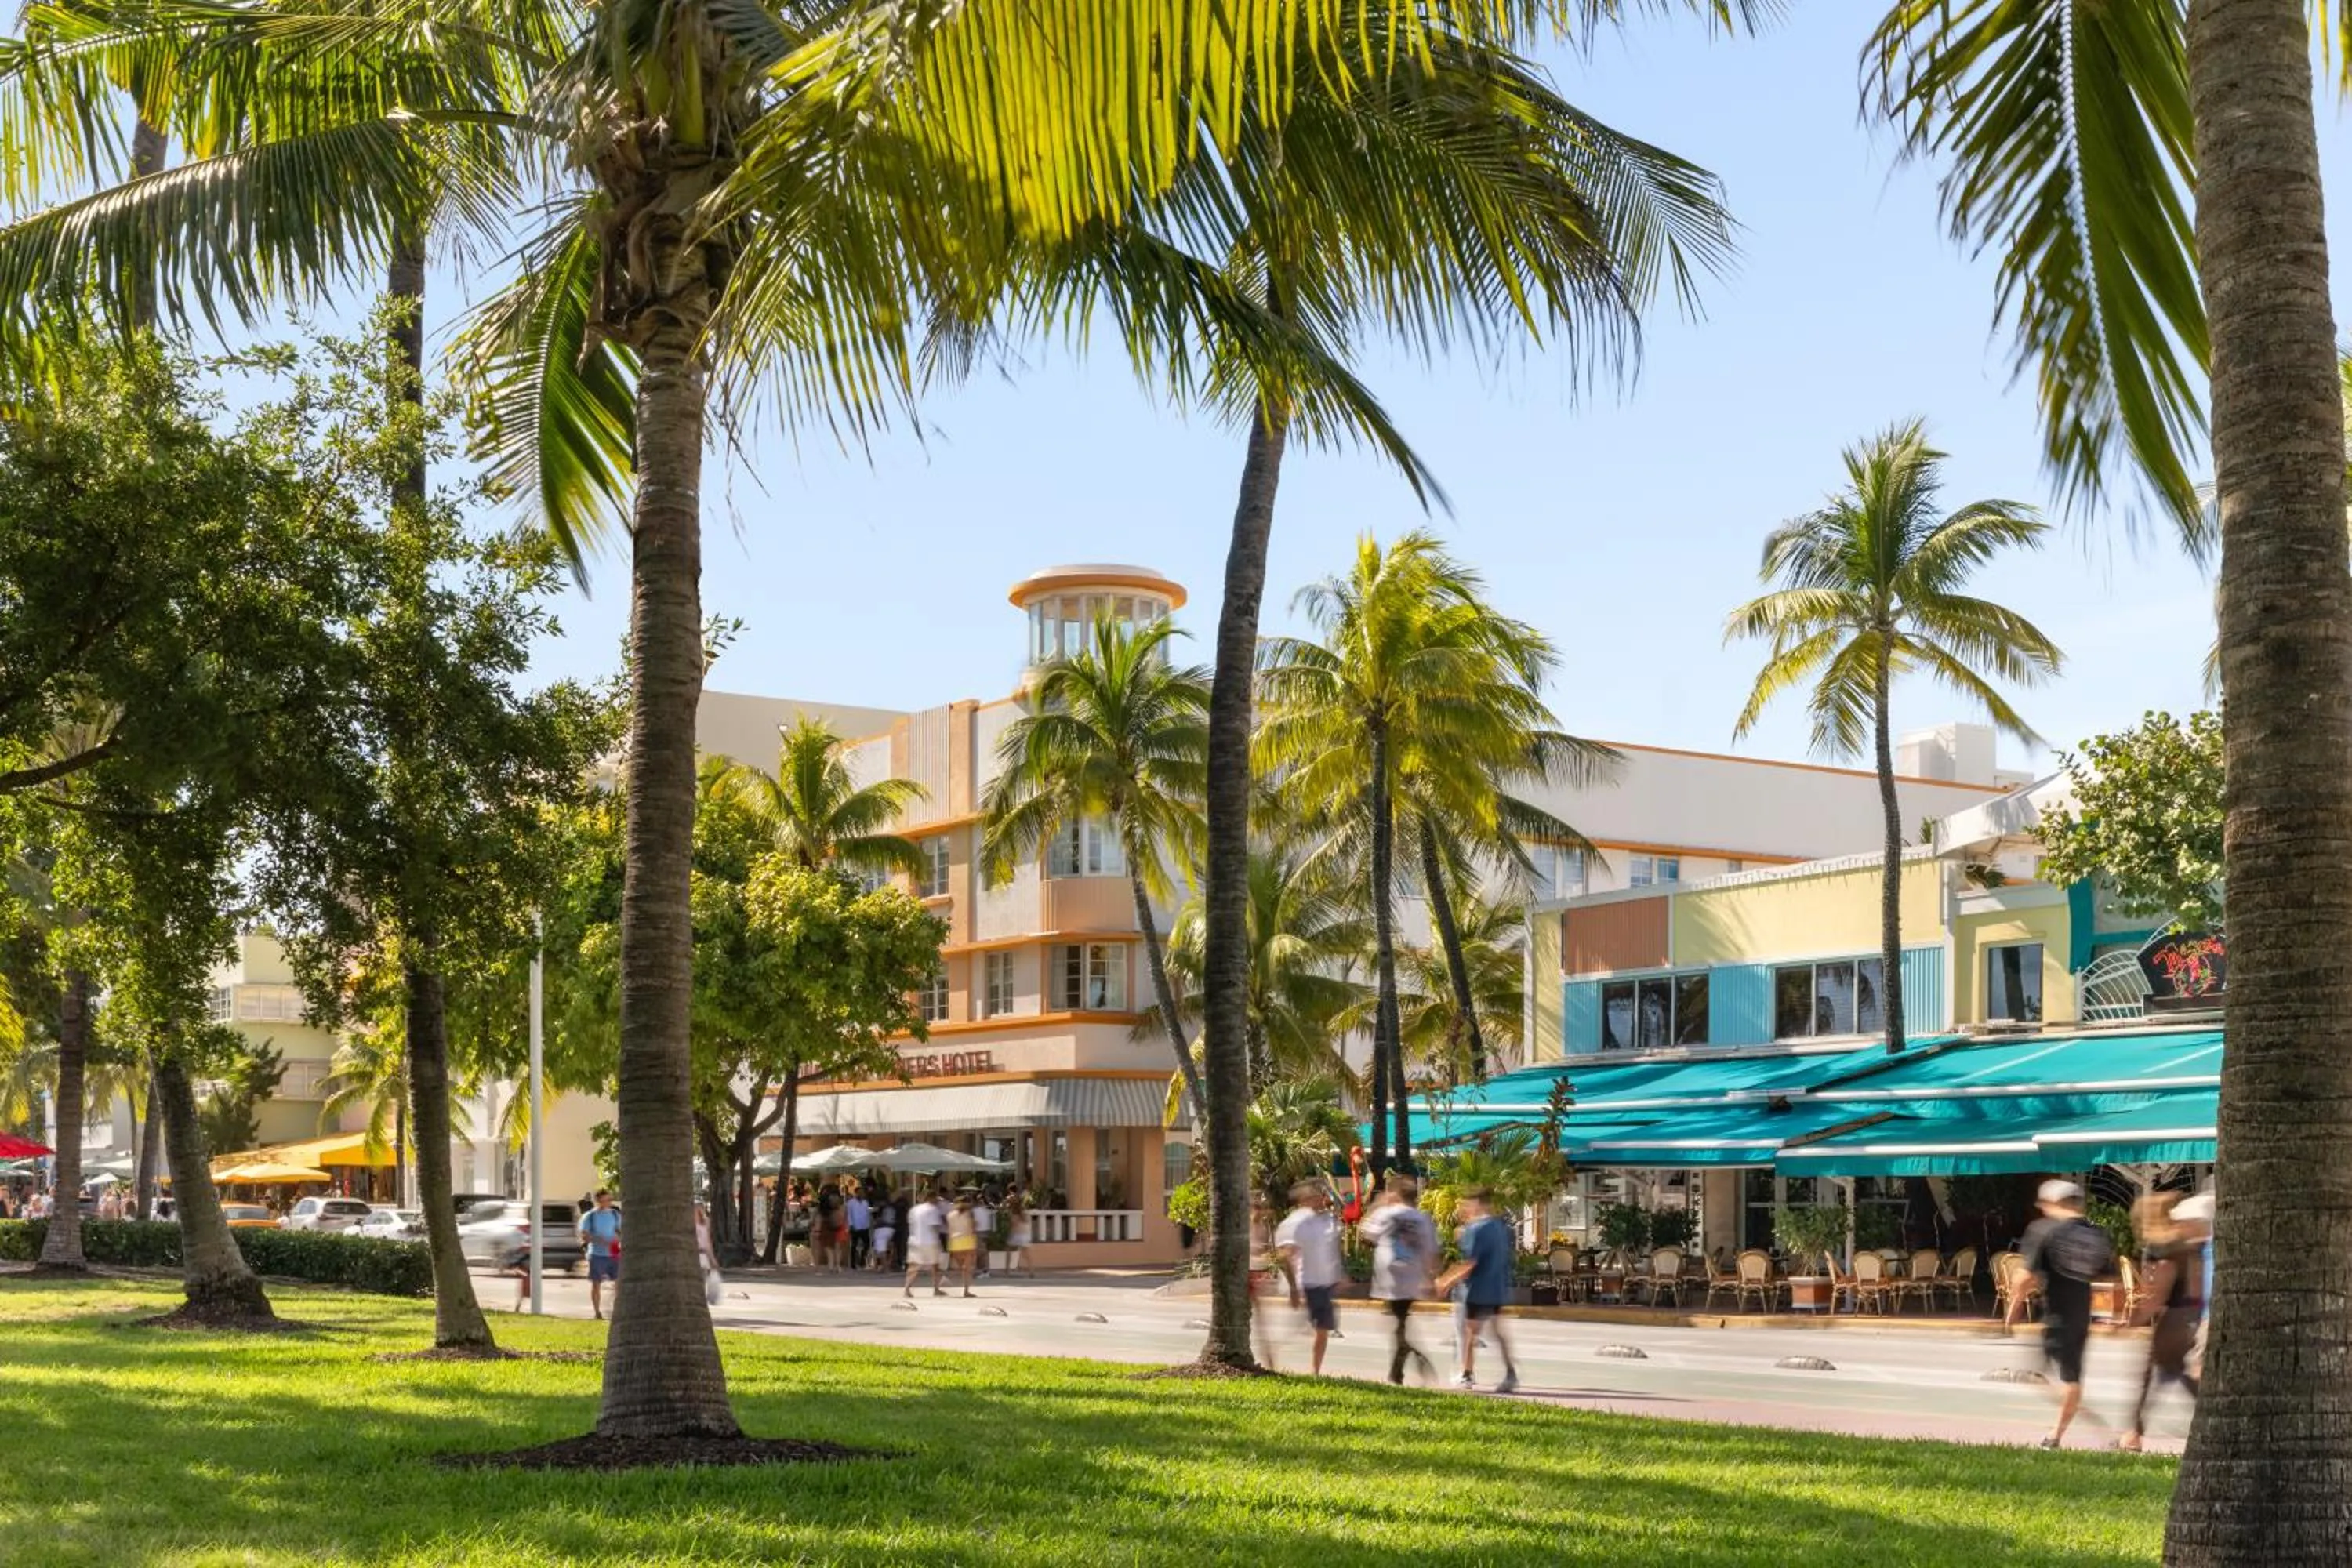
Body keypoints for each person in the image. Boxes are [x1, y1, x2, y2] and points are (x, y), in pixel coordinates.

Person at [2006, 1178, 2114, 1448]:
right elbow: (2112, 1279)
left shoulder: (2043, 1230)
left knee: (2048, 1378)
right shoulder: (2096, 1232)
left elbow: (2023, 1278)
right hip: (2081, 1314)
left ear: (2053, 1203)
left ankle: (2065, 1433)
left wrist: (2012, 1312)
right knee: (2065, 1376)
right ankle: (2063, 1430)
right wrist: (2116, 1316)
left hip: (2056, 1315)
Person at [2122, 1190, 2209, 1452]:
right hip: (2194, 1314)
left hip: (2174, 1317)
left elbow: (2158, 1291)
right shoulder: (2190, 1244)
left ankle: (2133, 1434)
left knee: (2151, 1375)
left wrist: (2136, 1318)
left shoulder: (2163, 1247)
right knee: (2177, 1373)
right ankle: (2206, 1422)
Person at [1436, 1187, 1520, 1393]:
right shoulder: (1499, 1227)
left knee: (1470, 1332)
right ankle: (1510, 1373)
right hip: (1497, 1287)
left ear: (1478, 1204)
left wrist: (1446, 1281)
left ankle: (1467, 1375)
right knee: (1498, 1332)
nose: (1465, 1208)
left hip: (1478, 1288)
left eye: (1468, 1204)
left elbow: (1470, 1263)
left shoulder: (1476, 1229)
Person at [1360, 1178, 1439, 1385]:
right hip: (1411, 1275)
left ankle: (1404, 1363)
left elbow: (1366, 1233)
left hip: (1389, 1276)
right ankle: (1399, 1368)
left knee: (1399, 1323)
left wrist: (1378, 1204)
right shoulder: (1422, 1219)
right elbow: (1430, 1251)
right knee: (1400, 1320)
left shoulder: (1385, 1213)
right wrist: (1430, 1278)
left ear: (1395, 1195)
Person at [1273, 1181, 1344, 1375]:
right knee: (1300, 1330)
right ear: (1304, 1200)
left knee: (1322, 1328)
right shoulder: (1295, 1223)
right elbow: (1286, 1255)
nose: (1320, 1199)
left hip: (1324, 1283)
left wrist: (1338, 1276)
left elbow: (1330, 1250)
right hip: (1308, 1283)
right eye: (1315, 1196)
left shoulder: (1322, 1220)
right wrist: (1294, 1289)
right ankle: (1273, 1358)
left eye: (1319, 1195)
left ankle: (1315, 1371)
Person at [577, 1189, 622, 1321]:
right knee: (596, 1284)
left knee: (618, 1282)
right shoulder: (590, 1216)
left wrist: (618, 1240)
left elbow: (620, 1231)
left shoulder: (615, 1215)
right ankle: (597, 1312)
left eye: (609, 1200)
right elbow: (585, 1236)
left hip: (614, 1252)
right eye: (605, 1200)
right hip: (597, 1254)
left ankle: (616, 1311)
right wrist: (600, 1241)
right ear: (598, 1201)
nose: (608, 1203)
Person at [903, 1188, 949, 1298]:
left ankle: (907, 1288)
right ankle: (936, 1289)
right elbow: (935, 1226)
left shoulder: (914, 1210)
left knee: (913, 1266)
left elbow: (910, 1224)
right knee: (935, 1266)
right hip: (929, 1241)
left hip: (914, 1241)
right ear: (931, 1198)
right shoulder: (932, 1209)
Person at [946, 1194, 981, 1297]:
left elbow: (950, 1230)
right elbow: (973, 1228)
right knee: (967, 1268)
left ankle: (947, 1281)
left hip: (955, 1241)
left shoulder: (950, 1215)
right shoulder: (969, 1214)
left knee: (960, 1267)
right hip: (967, 1240)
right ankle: (966, 1290)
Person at [1001, 1195, 1030, 1276]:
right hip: (1024, 1233)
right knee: (1026, 1253)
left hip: (1016, 1233)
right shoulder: (1022, 1211)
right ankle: (1031, 1271)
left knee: (1008, 1251)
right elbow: (1026, 1221)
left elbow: (1013, 1223)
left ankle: (1007, 1271)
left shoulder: (1013, 1212)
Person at [845, 1185, 873, 1271]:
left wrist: (868, 1224)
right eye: (860, 1192)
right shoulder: (851, 1203)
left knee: (867, 1245)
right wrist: (851, 1224)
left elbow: (867, 1214)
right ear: (856, 1193)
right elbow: (849, 1214)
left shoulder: (865, 1203)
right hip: (855, 1226)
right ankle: (853, 1264)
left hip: (865, 1226)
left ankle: (862, 1260)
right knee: (854, 1245)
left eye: (863, 1192)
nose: (862, 1194)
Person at [971, 1189, 996, 1279]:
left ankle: (985, 1271)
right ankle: (983, 1270)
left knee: (980, 1253)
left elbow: (975, 1223)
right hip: (985, 1232)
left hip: (978, 1233)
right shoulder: (985, 1210)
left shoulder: (975, 1211)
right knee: (983, 1253)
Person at [869, 1204, 896, 1273]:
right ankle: (886, 1265)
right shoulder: (891, 1208)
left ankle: (886, 1268)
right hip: (891, 1229)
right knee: (890, 1248)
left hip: (881, 1230)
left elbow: (875, 1222)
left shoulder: (878, 1210)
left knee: (882, 1251)